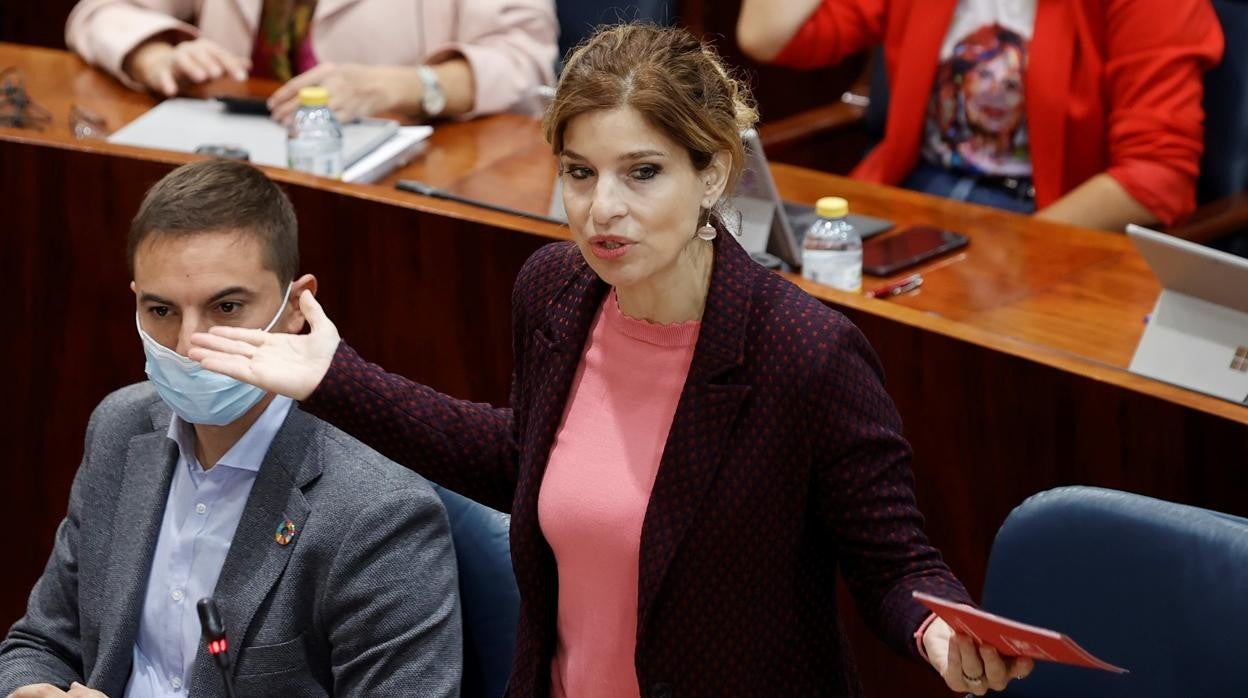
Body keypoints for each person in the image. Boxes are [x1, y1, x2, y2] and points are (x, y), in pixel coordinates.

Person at [188, 24, 1035, 696]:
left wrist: (943, 629)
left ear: (714, 175)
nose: (604, 211)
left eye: (642, 173)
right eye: (581, 173)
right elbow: (524, 458)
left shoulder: (802, 352)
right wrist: (338, 378)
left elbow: (894, 562)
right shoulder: (555, 291)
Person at [0, 160, 461, 698]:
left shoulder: (379, 510)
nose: (189, 344)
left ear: (295, 308)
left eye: (226, 306)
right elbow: (41, 645)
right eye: (161, 310)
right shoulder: (119, 427)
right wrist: (30, 689)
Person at [736, 0, 1224, 230]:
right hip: (909, 199)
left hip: (1050, 220)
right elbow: (767, 33)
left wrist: (1011, 246)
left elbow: (1158, 176)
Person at [65, 0, 558, 123]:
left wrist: (404, 84)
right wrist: (156, 54)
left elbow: (524, 61)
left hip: (381, 182)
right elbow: (98, 12)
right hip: (219, 157)